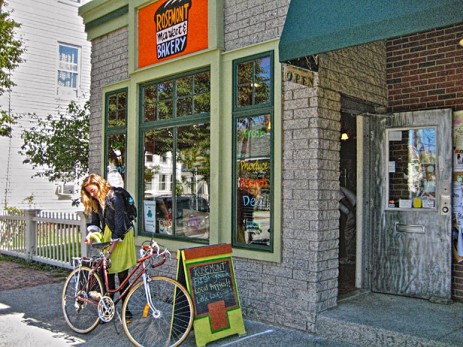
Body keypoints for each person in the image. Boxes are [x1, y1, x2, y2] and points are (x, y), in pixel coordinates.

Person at [80, 173, 137, 316]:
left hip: (122, 234)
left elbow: (119, 222)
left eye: (92, 190)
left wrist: (111, 249)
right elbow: (95, 222)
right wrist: (90, 235)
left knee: (123, 275)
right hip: (107, 234)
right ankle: (108, 305)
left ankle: (125, 309)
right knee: (107, 273)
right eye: (89, 192)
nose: (91, 194)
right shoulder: (96, 201)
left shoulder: (115, 197)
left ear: (99, 184)